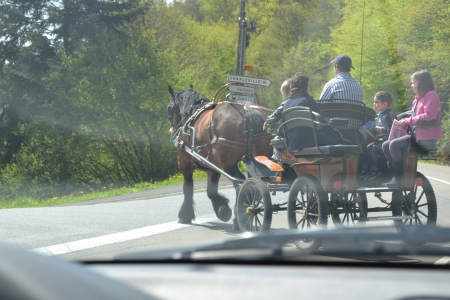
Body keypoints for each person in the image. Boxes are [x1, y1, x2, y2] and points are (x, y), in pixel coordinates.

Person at [381, 70, 442, 188]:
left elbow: (429, 116)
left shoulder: (432, 95)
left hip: (424, 136)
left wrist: (408, 121)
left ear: (422, 83)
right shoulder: (417, 99)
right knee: (385, 145)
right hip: (414, 134)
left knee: (393, 145)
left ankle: (399, 178)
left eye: (413, 82)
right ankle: (396, 174)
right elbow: (413, 118)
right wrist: (401, 123)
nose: (412, 85)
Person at [263, 72, 346, 155]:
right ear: (306, 88)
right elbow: (322, 124)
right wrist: (337, 134)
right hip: (311, 143)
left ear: (291, 87)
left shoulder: (286, 104)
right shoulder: (309, 102)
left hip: (293, 145)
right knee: (344, 143)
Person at [360, 91, 397, 180]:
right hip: (378, 139)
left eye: (376, 102)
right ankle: (364, 168)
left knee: (371, 147)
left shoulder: (389, 115)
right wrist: (369, 134)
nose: (374, 104)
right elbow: (376, 131)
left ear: (385, 104)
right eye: (374, 102)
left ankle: (375, 169)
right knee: (363, 145)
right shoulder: (378, 116)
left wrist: (382, 130)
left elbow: (395, 131)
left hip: (386, 140)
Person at [263, 79, 291, 160]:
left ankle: (278, 163)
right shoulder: (305, 102)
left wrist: (267, 121)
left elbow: (274, 117)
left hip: (288, 138)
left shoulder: (286, 104)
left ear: (285, 94)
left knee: (276, 142)